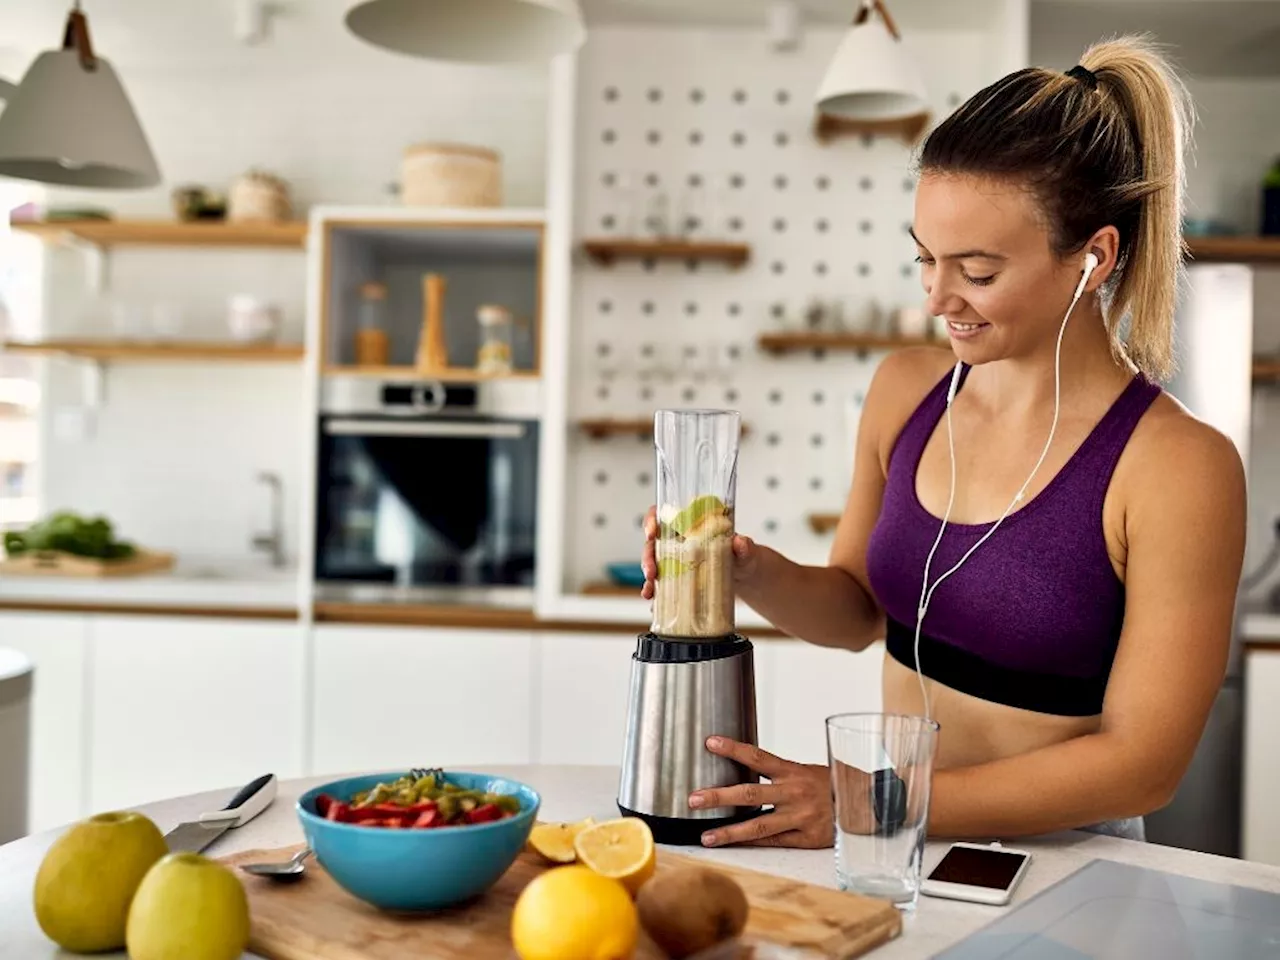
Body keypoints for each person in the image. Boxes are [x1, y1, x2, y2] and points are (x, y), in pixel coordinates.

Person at [640, 36, 1247, 849]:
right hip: (895, 849)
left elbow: (1144, 765)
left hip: (1071, 865)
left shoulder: (1177, 465)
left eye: (977, 271)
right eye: (925, 259)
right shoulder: (907, 391)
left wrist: (876, 800)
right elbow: (856, 612)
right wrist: (741, 566)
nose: (938, 298)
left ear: (1093, 258)